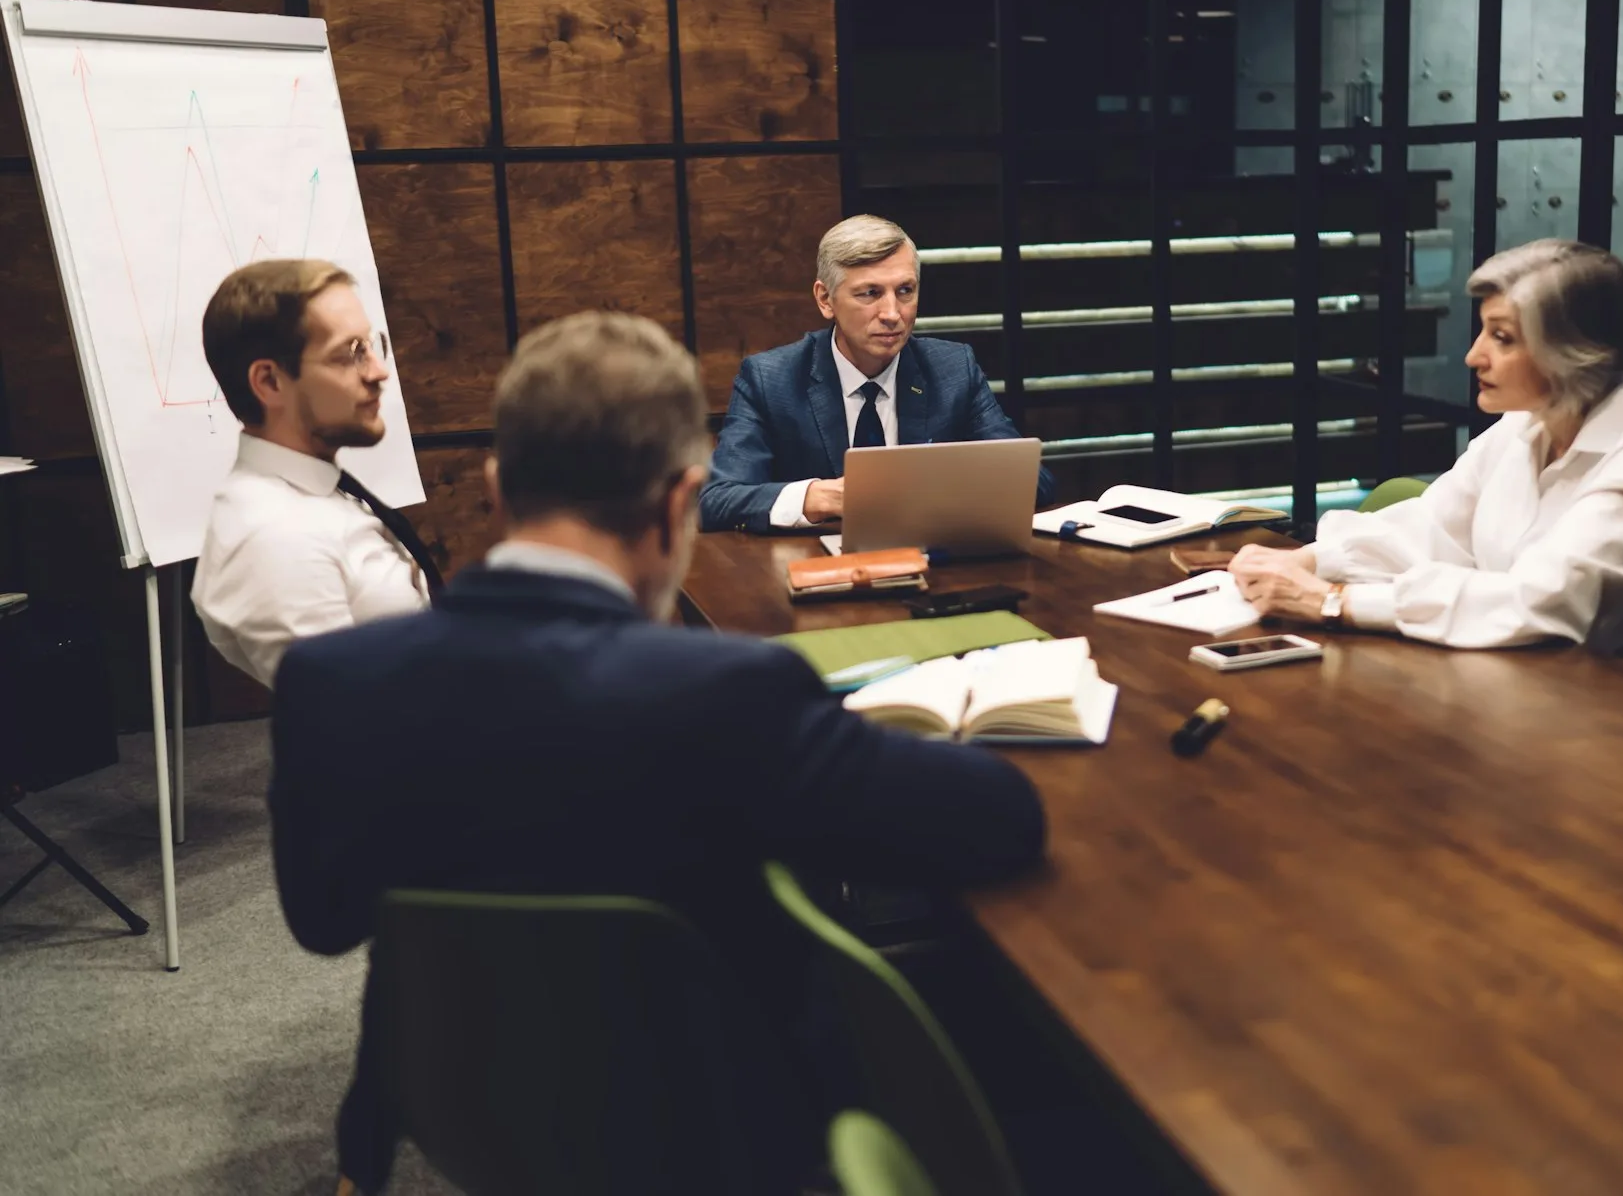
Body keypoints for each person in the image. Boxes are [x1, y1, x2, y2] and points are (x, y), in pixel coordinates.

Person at [268, 312, 1046, 1195]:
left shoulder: (329, 683)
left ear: (494, 487)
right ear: (681, 503)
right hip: (726, 1142)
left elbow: (324, 921)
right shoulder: (729, 694)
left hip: (470, 1116)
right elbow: (998, 822)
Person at [1230, 240, 1623, 669]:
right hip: (1538, 670)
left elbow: (1543, 602)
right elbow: (1433, 530)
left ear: (1574, 350)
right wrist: (1311, 561)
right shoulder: (1528, 421)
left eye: (1502, 338)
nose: (1474, 355)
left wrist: (1333, 602)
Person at [699, 213, 1056, 531]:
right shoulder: (770, 379)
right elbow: (716, 500)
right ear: (825, 300)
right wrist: (815, 497)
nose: (892, 313)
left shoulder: (953, 369)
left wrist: (936, 492)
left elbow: (1034, 481)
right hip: (818, 574)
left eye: (905, 291)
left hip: (938, 563)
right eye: (870, 293)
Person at [191, 260, 440, 688]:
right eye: (349, 354)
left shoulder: (317, 494)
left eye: (371, 345)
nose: (378, 372)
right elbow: (347, 719)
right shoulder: (275, 536)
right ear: (269, 382)